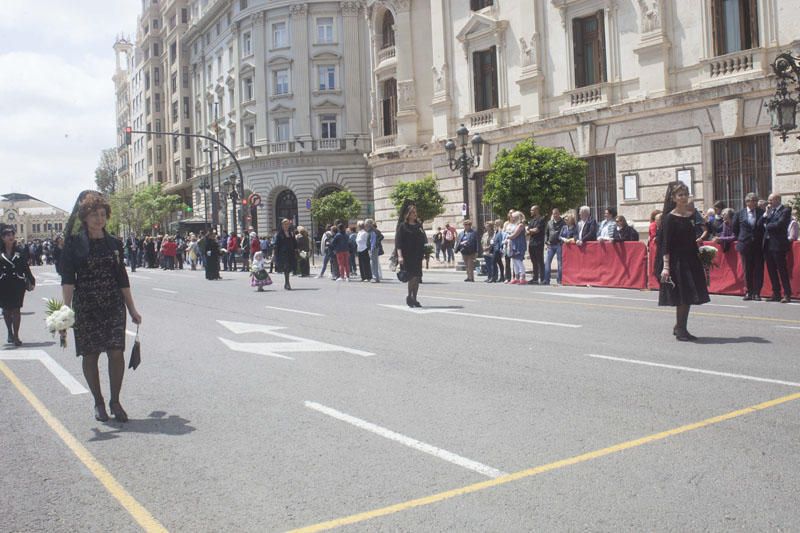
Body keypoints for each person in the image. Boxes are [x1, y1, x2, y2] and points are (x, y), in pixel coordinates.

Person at [60, 191, 142, 422]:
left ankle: (115, 401)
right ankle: (98, 402)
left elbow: (122, 278)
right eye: (94, 214)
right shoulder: (74, 244)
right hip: (86, 306)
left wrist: (132, 309)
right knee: (91, 354)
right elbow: (68, 279)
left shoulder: (114, 243)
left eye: (103, 214)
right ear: (85, 217)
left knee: (116, 352)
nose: (99, 219)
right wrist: (66, 310)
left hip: (113, 305)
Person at [656, 181, 710, 341]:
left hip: (691, 258)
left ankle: (679, 326)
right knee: (683, 296)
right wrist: (666, 267)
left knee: (689, 295)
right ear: (673, 198)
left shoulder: (690, 216)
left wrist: (702, 254)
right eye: (680, 195)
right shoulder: (669, 218)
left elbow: (693, 238)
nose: (684, 197)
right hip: (677, 261)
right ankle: (681, 329)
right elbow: (665, 243)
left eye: (686, 194)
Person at [0, 224, 35, 346]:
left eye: (12, 235)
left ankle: (16, 335)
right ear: (3, 238)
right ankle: (9, 331)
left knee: (16, 309)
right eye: (8, 235)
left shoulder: (19, 251)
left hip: (17, 284)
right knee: (6, 310)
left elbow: (25, 267)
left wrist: (31, 279)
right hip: (3, 285)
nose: (11, 237)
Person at [732, 192, 765, 301]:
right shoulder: (739, 213)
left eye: (755, 200)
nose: (754, 203)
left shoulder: (761, 212)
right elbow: (735, 229)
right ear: (747, 202)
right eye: (752, 200)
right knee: (747, 269)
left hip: (758, 245)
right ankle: (748, 292)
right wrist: (742, 238)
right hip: (745, 245)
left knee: (758, 269)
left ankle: (757, 293)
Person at [395, 200, 426, 307]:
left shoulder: (419, 226)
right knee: (411, 276)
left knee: (417, 277)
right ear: (408, 214)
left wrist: (425, 251)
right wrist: (400, 256)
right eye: (413, 212)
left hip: (417, 255)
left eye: (415, 212)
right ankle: (409, 296)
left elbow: (423, 239)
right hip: (407, 255)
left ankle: (415, 298)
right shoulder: (403, 226)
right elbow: (398, 242)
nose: (415, 214)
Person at [762, 193, 792, 303]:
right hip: (768, 244)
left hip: (778, 245)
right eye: (768, 200)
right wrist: (766, 214)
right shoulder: (770, 211)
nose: (769, 203)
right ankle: (776, 293)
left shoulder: (785, 210)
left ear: (778, 200)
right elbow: (761, 223)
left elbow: (780, 224)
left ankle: (787, 294)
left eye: (771, 200)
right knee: (771, 270)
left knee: (782, 270)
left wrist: (767, 226)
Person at [273, 218, 298, 290]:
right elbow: (276, 244)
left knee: (289, 268)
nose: (286, 226)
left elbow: (294, 242)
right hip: (283, 254)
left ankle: (286, 282)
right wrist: (275, 254)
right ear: (282, 225)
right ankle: (287, 283)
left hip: (291, 253)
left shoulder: (291, 233)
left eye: (288, 224)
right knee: (286, 267)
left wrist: (296, 249)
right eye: (285, 224)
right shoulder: (279, 234)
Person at [543, 208, 565, 285]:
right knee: (547, 262)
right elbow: (546, 233)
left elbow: (565, 233)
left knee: (560, 263)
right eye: (553, 213)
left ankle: (559, 280)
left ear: (559, 214)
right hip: (550, 245)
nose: (555, 215)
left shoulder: (563, 223)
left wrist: (562, 242)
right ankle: (546, 280)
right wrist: (546, 241)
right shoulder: (549, 223)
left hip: (559, 244)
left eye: (556, 213)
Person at [504, 212, 528, 284]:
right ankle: (516, 277)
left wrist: (507, 237)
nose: (512, 218)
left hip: (519, 245)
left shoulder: (520, 225)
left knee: (519, 261)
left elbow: (514, 235)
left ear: (518, 217)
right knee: (514, 261)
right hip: (514, 244)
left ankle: (522, 278)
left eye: (514, 217)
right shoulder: (515, 225)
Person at [526, 205, 546, 284]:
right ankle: (535, 278)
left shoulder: (541, 220)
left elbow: (537, 230)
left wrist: (531, 230)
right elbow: (527, 232)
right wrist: (531, 230)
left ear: (537, 210)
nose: (531, 212)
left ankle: (542, 279)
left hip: (538, 243)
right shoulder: (531, 221)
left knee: (540, 261)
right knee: (534, 261)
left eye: (532, 210)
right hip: (531, 243)